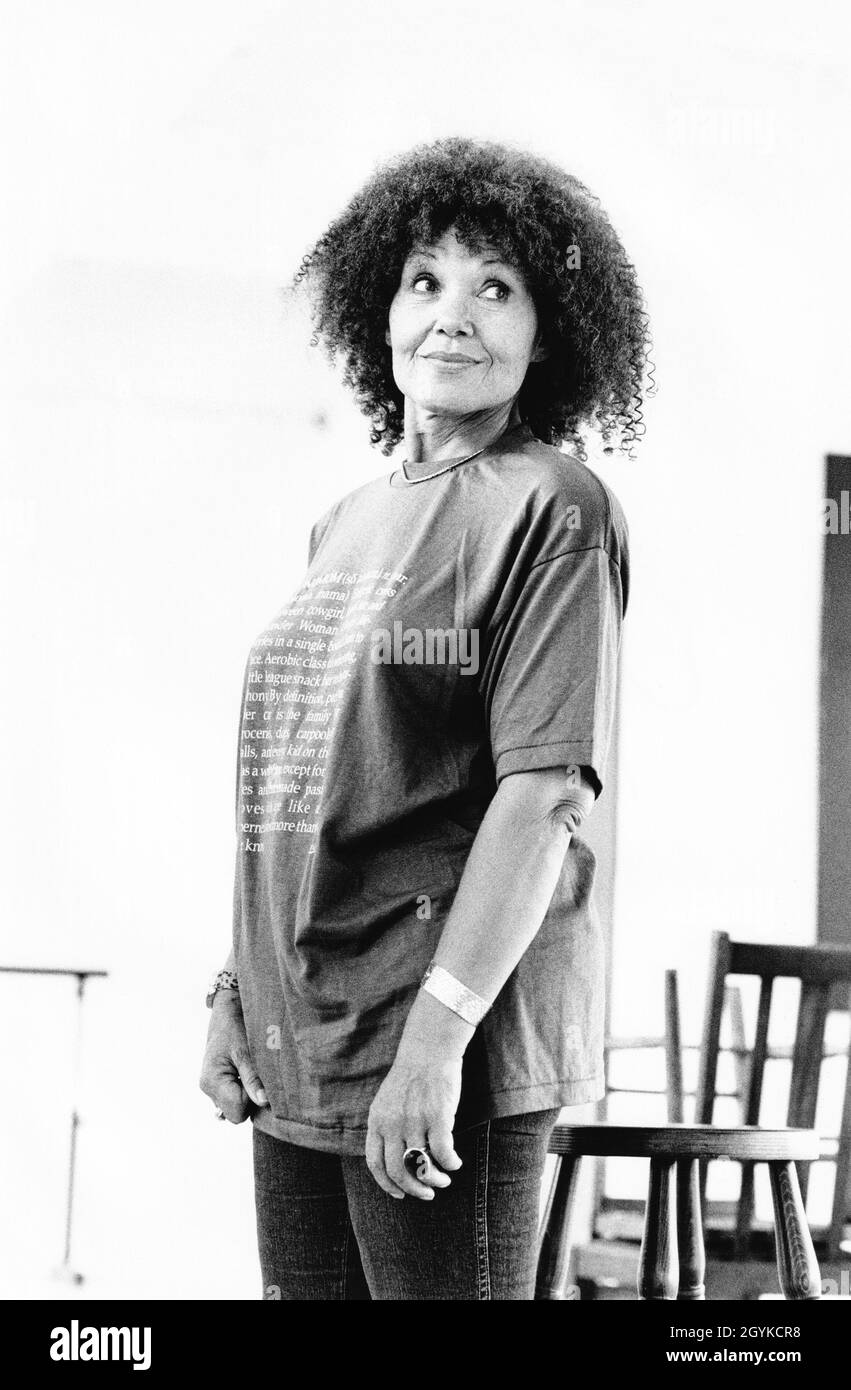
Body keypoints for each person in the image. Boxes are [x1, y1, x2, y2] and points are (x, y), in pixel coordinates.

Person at [199, 135, 651, 1300]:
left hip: (436, 1036)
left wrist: (437, 1040)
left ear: (546, 335)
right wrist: (234, 989)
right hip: (306, 1028)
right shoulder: (342, 520)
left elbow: (543, 791)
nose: (454, 314)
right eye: (425, 281)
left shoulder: (553, 507)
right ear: (380, 312)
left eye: (495, 288)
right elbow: (304, 781)